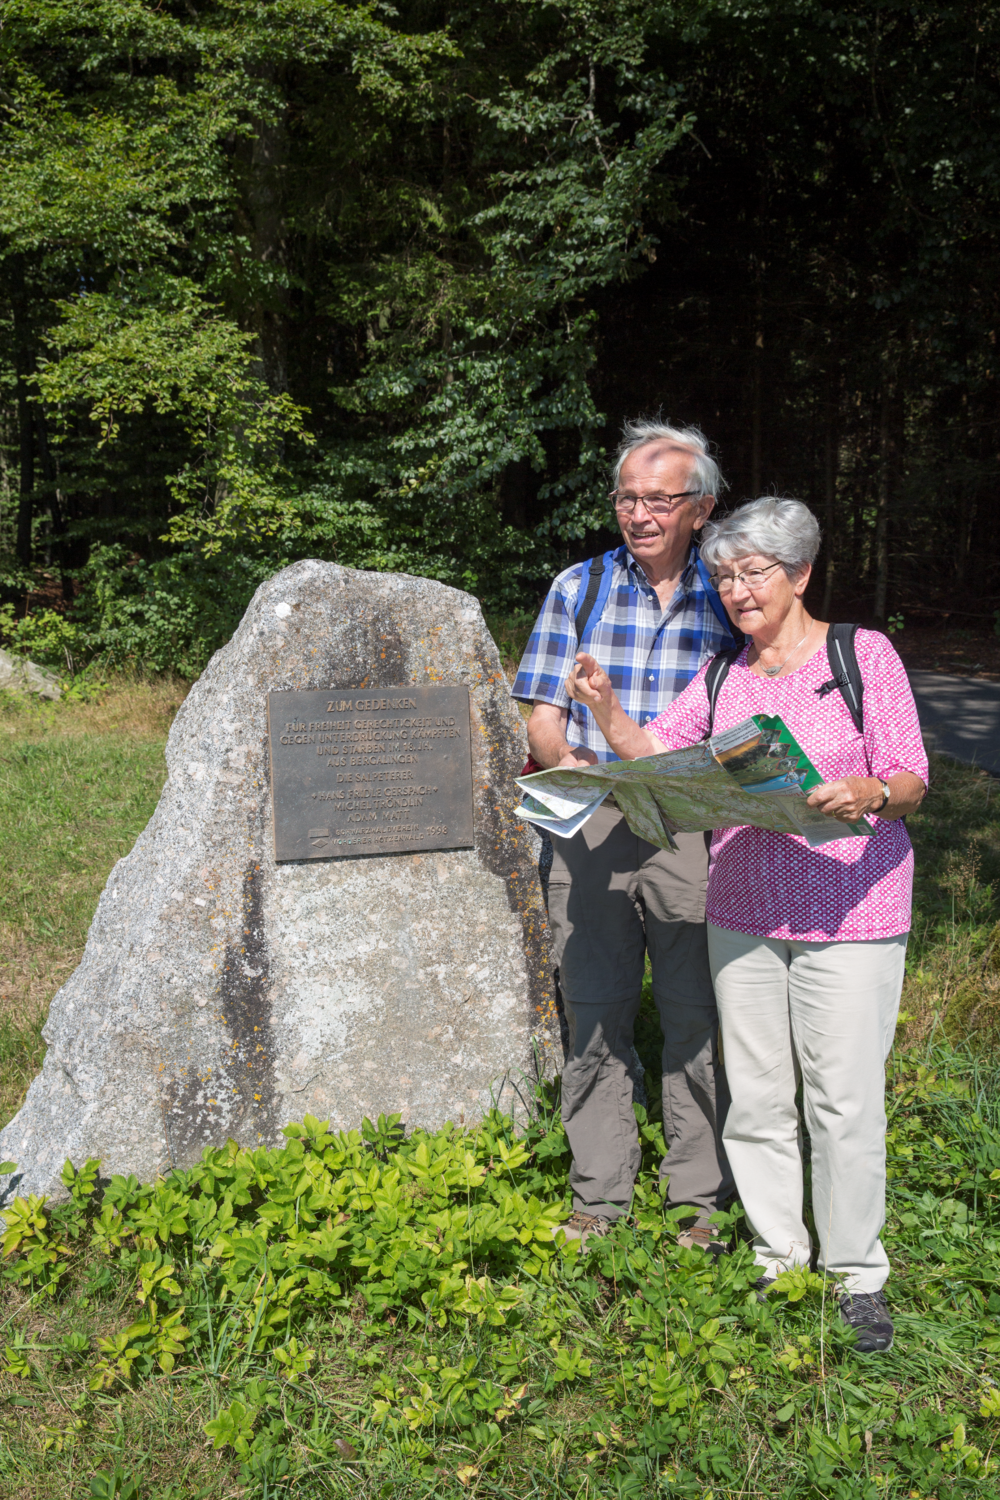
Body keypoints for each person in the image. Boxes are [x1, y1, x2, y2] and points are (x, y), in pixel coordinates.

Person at [566, 495, 927, 1352]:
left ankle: (856, 1276)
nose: (736, 591)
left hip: (852, 909)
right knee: (759, 1098)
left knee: (842, 1101)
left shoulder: (860, 655)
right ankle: (776, 1256)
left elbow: (912, 777)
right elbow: (659, 752)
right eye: (724, 576)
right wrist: (607, 710)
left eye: (753, 573)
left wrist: (870, 791)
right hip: (744, 912)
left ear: (800, 574)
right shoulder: (725, 673)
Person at [512, 419, 741, 1252]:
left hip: (692, 823)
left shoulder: (730, 591)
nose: (639, 514)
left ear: (701, 507)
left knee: (696, 1012)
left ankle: (698, 1200)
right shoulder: (578, 586)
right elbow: (541, 710)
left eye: (659, 500)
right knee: (597, 1007)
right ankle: (599, 1196)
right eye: (626, 498)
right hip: (597, 820)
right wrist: (566, 758)